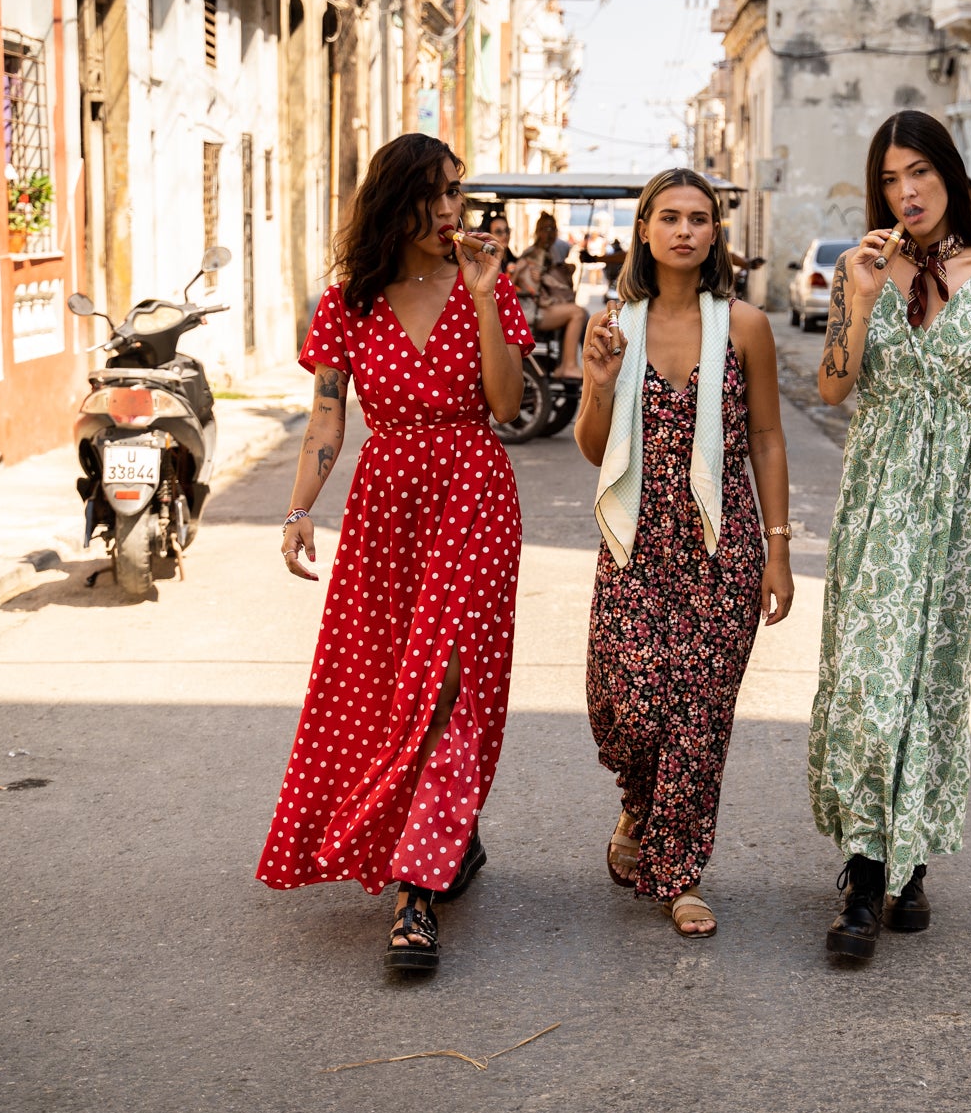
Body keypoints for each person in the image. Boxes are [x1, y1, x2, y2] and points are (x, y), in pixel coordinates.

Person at [256, 133, 533, 976]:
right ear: (395, 200)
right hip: (386, 508)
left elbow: (508, 404)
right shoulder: (350, 300)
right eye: (434, 194)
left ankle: (417, 892)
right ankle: (456, 835)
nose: (451, 210)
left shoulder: (488, 285)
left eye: (457, 192)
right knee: (386, 686)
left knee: (448, 677)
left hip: (473, 493)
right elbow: (327, 416)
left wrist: (485, 299)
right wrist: (301, 506)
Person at [810, 110, 971, 961]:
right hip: (878, 495)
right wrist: (862, 300)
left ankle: (907, 865)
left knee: (934, 681)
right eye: (890, 178)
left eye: (920, 173)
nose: (905, 192)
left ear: (952, 176)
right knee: (871, 683)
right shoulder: (859, 267)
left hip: (953, 503)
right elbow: (833, 389)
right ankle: (864, 873)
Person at [574, 169, 794, 938]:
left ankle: (681, 873)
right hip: (635, 542)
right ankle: (639, 804)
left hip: (721, 545)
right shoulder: (615, 326)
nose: (685, 230)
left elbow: (766, 435)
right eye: (669, 217)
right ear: (644, 229)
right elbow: (595, 449)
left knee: (698, 717)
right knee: (630, 705)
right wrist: (598, 385)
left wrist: (777, 546)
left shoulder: (744, 325)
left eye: (700, 218)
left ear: (714, 233)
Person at [514, 212, 588, 373]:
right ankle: (568, 365)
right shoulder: (532, 254)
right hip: (534, 309)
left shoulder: (551, 253)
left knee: (584, 315)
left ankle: (568, 364)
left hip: (542, 305)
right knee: (578, 313)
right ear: (538, 232)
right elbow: (533, 286)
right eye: (546, 229)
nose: (549, 234)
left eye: (553, 229)